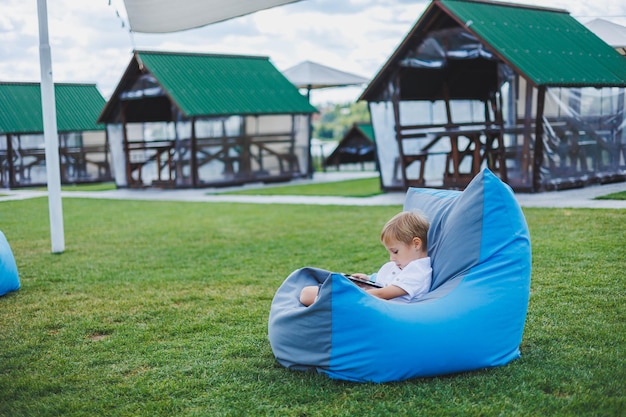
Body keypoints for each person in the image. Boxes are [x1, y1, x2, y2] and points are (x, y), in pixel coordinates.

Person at [299, 211, 432, 306]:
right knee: (307, 292)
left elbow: (383, 294)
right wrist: (368, 280)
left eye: (395, 251)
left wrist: (350, 296)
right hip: (374, 301)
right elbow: (383, 283)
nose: (392, 258)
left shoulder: (418, 271)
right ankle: (325, 304)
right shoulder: (403, 264)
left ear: (416, 244)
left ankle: (327, 307)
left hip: (382, 309)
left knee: (309, 294)